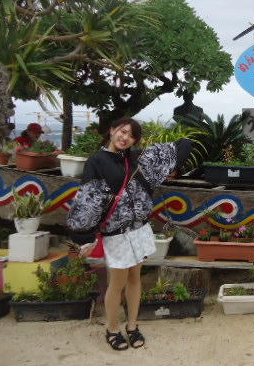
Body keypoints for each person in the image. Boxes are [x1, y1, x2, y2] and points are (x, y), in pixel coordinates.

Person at [66, 117, 192, 351]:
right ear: (112, 130)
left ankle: (132, 325)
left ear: (135, 141)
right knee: (117, 283)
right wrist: (84, 236)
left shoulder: (136, 159)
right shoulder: (97, 161)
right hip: (116, 232)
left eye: (131, 136)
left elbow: (179, 149)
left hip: (139, 228)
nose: (125, 138)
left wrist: (182, 145)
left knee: (135, 278)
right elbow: (89, 199)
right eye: (122, 131)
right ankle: (113, 329)